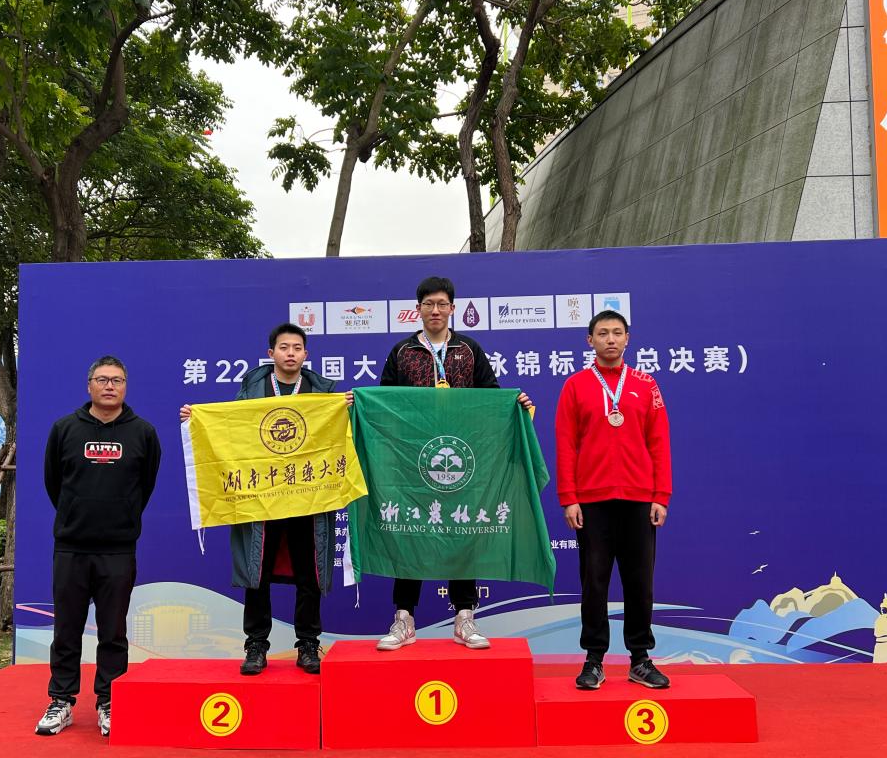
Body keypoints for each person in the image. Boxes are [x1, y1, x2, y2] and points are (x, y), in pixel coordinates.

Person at [180, 323, 348, 677]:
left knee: (310, 571)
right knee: (257, 572)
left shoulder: (322, 394)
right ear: (271, 353)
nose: (291, 353)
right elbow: (229, 432)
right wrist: (198, 420)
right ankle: (256, 644)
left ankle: (308, 643)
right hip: (261, 500)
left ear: (306, 354)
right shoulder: (251, 393)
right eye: (284, 347)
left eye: (297, 348)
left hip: (308, 497)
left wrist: (345, 409)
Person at [376, 276, 532, 652]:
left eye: (442, 304)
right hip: (413, 461)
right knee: (410, 531)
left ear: (452, 308)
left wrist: (515, 405)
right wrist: (361, 405)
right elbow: (384, 402)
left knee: (462, 530)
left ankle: (464, 617)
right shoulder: (402, 352)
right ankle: (404, 618)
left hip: (462, 459)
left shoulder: (468, 349)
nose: (435, 310)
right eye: (428, 304)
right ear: (418, 309)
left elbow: (491, 396)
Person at [36, 355, 161, 737]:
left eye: (117, 380)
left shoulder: (143, 433)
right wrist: (77, 515)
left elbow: (145, 485)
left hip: (118, 550)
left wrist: (120, 517)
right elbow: (54, 482)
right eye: (103, 379)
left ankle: (109, 701)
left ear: (126, 386)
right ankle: (61, 701)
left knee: (113, 632)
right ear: (89, 385)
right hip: (71, 547)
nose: (110, 386)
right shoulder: (64, 429)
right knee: (66, 629)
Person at [554, 310, 672, 690]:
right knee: (594, 583)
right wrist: (569, 497)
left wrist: (661, 495)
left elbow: (659, 442)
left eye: (617, 333)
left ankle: (640, 659)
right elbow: (566, 445)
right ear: (590, 340)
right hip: (592, 501)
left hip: (639, 499)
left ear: (627, 339)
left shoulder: (646, 384)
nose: (610, 339)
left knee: (640, 582)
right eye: (602, 333)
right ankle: (594, 659)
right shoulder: (575, 386)